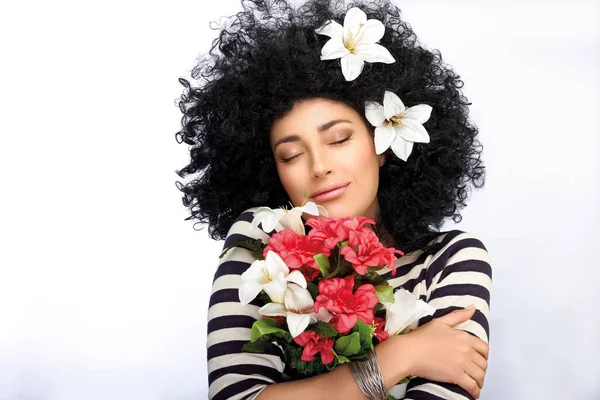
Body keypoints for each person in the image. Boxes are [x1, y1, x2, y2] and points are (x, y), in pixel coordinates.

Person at [174, 0, 492, 399]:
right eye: (290, 154)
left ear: (382, 141)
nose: (319, 166)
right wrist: (402, 356)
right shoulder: (259, 242)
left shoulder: (452, 258)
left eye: (339, 138)